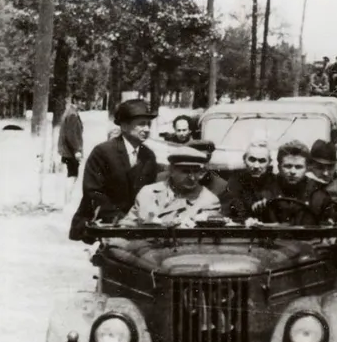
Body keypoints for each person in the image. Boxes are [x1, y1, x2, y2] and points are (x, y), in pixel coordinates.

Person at [69, 99, 158, 241]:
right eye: (141, 124)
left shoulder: (149, 156)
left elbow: (151, 192)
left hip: (136, 226)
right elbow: (93, 192)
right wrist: (119, 219)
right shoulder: (103, 152)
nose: (146, 129)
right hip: (103, 224)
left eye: (148, 124)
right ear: (124, 125)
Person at [119, 147, 221, 226]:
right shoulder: (148, 193)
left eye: (196, 171)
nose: (192, 178)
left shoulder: (208, 200)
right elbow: (128, 226)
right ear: (171, 170)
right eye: (185, 172)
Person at [251, 141, 337, 226]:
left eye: (298, 167)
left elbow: (327, 230)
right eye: (288, 166)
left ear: (307, 168)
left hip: (309, 240)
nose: (293, 172)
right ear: (279, 167)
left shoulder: (319, 195)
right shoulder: (265, 192)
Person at [156, 140, 227, 199]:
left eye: (205, 159)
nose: (201, 165)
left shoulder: (220, 187)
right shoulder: (160, 179)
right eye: (190, 160)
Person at [225, 142, 277, 221]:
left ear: (269, 162)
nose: (256, 166)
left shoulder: (276, 181)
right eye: (252, 160)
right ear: (244, 159)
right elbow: (236, 207)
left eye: (262, 161)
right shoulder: (235, 181)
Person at [306, 139, 337, 214]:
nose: (326, 173)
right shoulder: (301, 182)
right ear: (310, 165)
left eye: (330, 167)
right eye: (320, 167)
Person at [56, 101, 84, 207]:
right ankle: (67, 200)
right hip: (70, 151)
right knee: (72, 175)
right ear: (76, 101)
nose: (84, 103)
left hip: (67, 150)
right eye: (82, 101)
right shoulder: (72, 114)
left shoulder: (70, 112)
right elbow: (71, 135)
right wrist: (77, 150)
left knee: (71, 174)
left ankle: (67, 199)